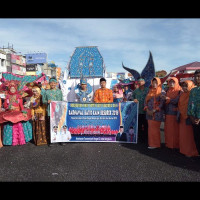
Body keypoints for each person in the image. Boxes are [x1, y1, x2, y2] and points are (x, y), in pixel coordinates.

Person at [0, 80, 32, 146]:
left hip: (17, 113)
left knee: (19, 124)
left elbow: (21, 106)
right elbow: (5, 105)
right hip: (9, 112)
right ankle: (10, 141)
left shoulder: (19, 96)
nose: (12, 90)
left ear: (15, 89)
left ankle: (20, 140)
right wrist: (9, 107)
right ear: (9, 89)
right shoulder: (7, 96)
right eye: (11, 89)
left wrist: (24, 112)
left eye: (13, 89)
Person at [178, 80, 198, 157]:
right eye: (183, 86)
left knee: (190, 136)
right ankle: (184, 150)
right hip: (183, 117)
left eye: (186, 86)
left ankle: (191, 152)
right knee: (183, 135)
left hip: (190, 117)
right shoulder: (183, 94)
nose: (184, 87)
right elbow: (180, 104)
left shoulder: (193, 94)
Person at [144, 77, 166, 149]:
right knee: (150, 129)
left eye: (156, 83)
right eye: (153, 82)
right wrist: (147, 110)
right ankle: (151, 143)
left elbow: (162, 104)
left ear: (159, 83)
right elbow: (145, 101)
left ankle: (155, 144)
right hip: (149, 113)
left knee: (155, 130)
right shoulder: (149, 91)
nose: (154, 84)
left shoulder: (162, 92)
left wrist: (153, 111)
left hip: (157, 114)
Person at [161, 77, 182, 150]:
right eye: (170, 82)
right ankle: (168, 144)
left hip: (175, 113)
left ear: (176, 82)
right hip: (167, 113)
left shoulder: (179, 91)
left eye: (173, 82)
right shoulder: (167, 90)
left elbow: (176, 101)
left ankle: (175, 144)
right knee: (168, 129)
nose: (171, 83)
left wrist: (167, 99)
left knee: (175, 130)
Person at [43, 77, 63, 146]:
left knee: (59, 125)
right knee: (50, 126)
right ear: (49, 83)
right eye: (51, 83)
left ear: (56, 84)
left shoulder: (59, 91)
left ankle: (60, 139)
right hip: (49, 111)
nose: (53, 84)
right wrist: (47, 102)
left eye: (54, 83)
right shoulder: (46, 92)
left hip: (57, 111)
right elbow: (43, 101)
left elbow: (61, 101)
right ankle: (51, 140)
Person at [132, 78, 149, 144]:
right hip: (138, 111)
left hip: (146, 111)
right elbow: (132, 97)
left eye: (142, 81)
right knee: (139, 125)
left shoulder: (148, 90)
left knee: (146, 125)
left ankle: (146, 138)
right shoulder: (135, 91)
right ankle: (139, 138)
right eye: (139, 82)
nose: (140, 82)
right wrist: (134, 99)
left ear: (144, 82)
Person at [188, 69, 200, 155]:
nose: (197, 78)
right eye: (195, 76)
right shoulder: (193, 90)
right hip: (193, 119)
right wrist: (191, 116)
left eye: (199, 76)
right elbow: (190, 104)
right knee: (197, 138)